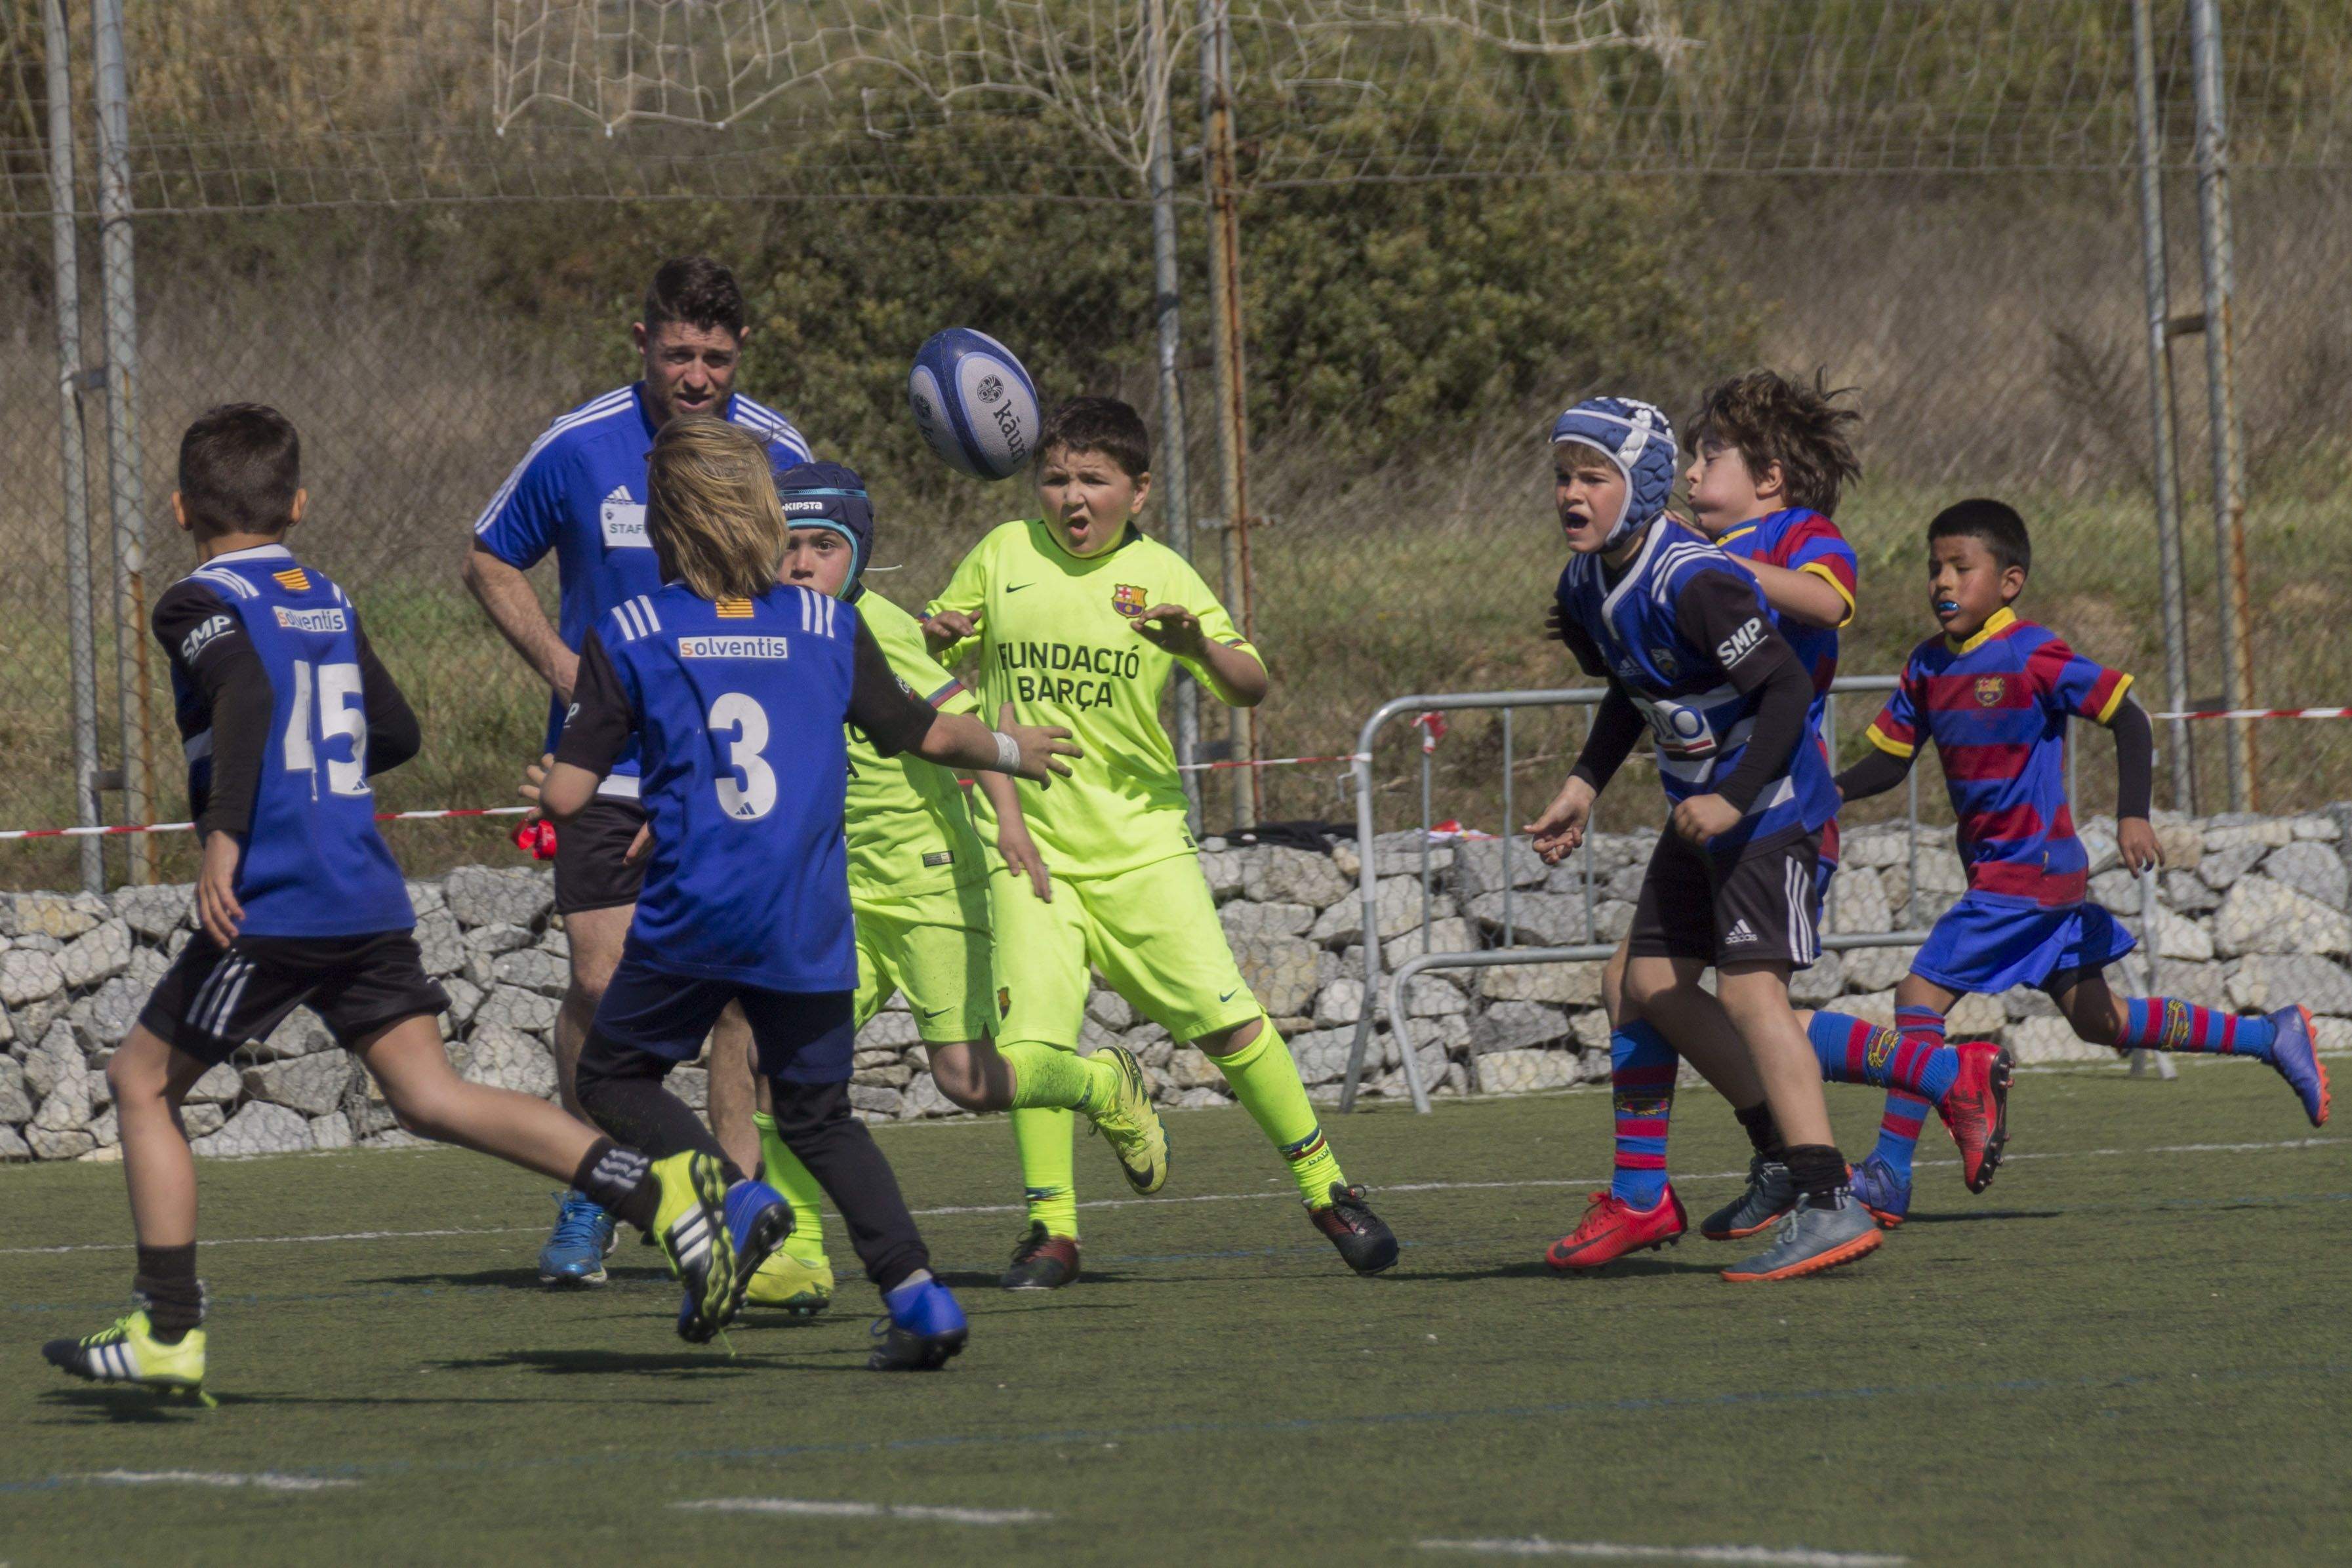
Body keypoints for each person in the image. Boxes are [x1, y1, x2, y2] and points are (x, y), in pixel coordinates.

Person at [42, 405, 735, 1403]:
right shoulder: (323, 592)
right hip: (362, 885)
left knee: (140, 1080)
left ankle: (166, 1325)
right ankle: (661, 1185)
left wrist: (229, 831)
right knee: (430, 1094)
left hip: (278, 893)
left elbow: (242, 691)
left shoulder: (194, 600)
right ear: (301, 503)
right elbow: (396, 729)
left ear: (182, 505)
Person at [529, 417, 1085, 1367]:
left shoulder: (630, 629)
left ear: (666, 530)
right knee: (820, 1114)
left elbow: (573, 795)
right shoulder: (830, 623)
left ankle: (733, 1194)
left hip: (694, 911)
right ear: (763, 521)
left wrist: (555, 775)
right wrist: (1008, 748)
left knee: (612, 1075)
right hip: (807, 919)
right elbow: (920, 730)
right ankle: (919, 1298)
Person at [1527, 397, 2006, 1283]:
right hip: (1701, 807)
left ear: (1639, 488)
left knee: (1755, 998)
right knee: (1644, 983)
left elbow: (1788, 680)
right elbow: (1633, 685)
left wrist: (1735, 794)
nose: (1570, 492)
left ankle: (1826, 1194)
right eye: (1562, 474)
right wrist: (1583, 783)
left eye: (1593, 475)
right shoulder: (1588, 580)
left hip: (1772, 806)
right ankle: (1738, 1167)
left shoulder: (1704, 572)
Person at [922, 397, 1398, 1289]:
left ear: (1136, 491)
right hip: (1027, 848)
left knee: (1227, 1020)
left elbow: (1250, 683)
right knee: (1033, 1046)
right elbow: (930, 655)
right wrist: (936, 635)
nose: (1072, 496)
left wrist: (1201, 647)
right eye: (1056, 477)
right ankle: (1051, 1229)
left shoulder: (1164, 571)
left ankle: (1326, 1185)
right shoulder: (1001, 554)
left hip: (1141, 846)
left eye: (1093, 480)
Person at [739, 462, 1164, 1316]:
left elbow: (965, 725)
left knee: (967, 1079)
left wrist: (1007, 819)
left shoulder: (879, 628)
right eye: (787, 545)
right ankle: (799, 1255)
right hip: (837, 897)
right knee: (780, 1065)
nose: (801, 563)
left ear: (857, 558)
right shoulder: (768, 629)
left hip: (934, 887)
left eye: (824, 547)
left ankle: (1100, 1085)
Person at [1832, 498, 2329, 1218]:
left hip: (2025, 876)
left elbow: (2126, 712)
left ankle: (1888, 1172)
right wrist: (1824, 796)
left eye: (1959, 567)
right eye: (1933, 567)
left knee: (1917, 998)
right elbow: (1885, 765)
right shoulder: (1926, 665)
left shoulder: (2031, 650)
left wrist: (2133, 813)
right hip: (2021, 878)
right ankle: (2270, 1034)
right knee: (2101, 1021)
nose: (1941, 581)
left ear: (2008, 582)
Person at [464, 256, 811, 1287]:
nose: (696, 375)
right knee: (602, 978)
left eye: (714, 355)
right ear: (641, 340)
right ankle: (600, 1183)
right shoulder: (578, 446)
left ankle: (737, 1216)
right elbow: (488, 557)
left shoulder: (781, 451)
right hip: (606, 766)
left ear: (739, 352)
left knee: (736, 999)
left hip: (724, 764)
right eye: (677, 353)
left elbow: (815, 583)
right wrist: (571, 674)